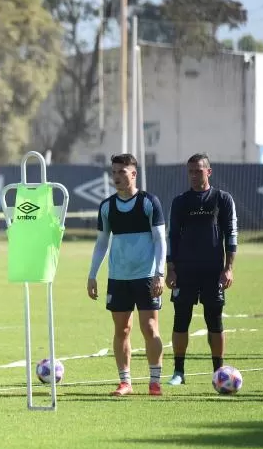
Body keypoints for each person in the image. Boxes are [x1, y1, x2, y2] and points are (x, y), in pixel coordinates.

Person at [87, 153, 167, 396]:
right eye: (114, 172)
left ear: (134, 174)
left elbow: (160, 240)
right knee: (121, 330)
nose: (117, 177)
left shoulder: (149, 202)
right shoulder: (107, 206)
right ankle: (125, 383)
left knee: (150, 327)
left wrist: (159, 273)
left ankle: (154, 382)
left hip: (145, 276)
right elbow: (101, 243)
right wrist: (92, 275)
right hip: (118, 278)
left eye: (122, 172)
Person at [165, 153, 238, 386]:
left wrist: (228, 268)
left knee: (214, 320)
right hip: (185, 271)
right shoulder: (180, 201)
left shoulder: (222, 199)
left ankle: (219, 371)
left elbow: (231, 235)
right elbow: (172, 236)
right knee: (180, 319)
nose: (194, 175)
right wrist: (171, 269)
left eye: (198, 170)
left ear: (209, 171)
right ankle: (178, 372)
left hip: (213, 271)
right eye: (190, 171)